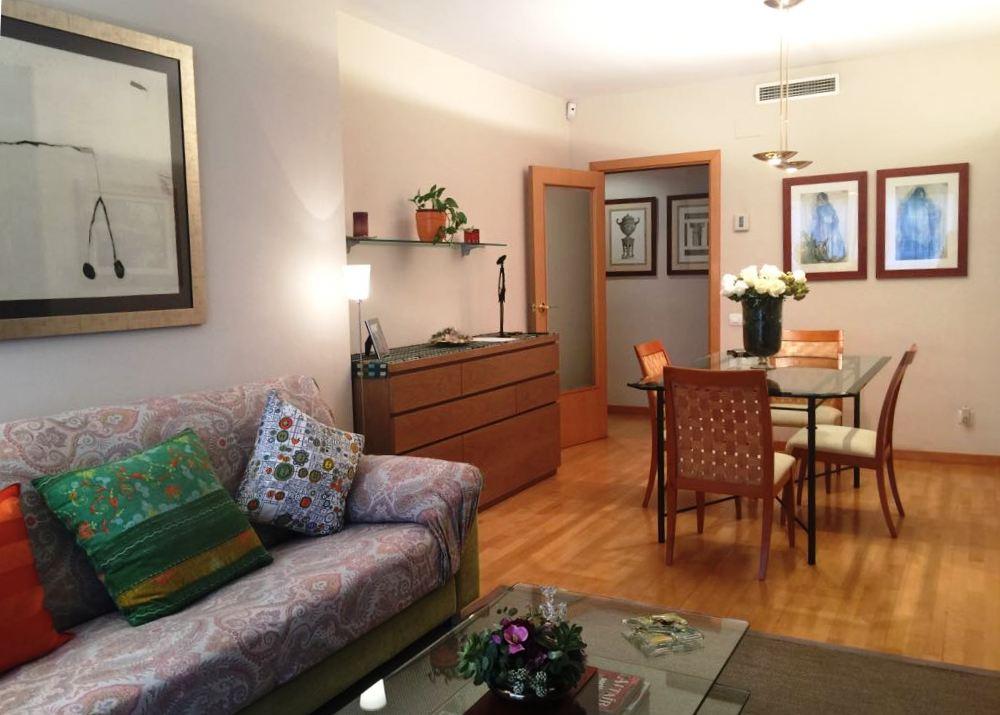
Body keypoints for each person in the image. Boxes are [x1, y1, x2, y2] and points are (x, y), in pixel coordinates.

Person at [896, 186, 943, 260]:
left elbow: (935, 218)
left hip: (920, 244)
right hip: (913, 243)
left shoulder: (927, 205)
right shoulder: (909, 206)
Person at [808, 192, 845, 262]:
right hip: (822, 228)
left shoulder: (830, 207)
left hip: (831, 227)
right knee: (822, 241)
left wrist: (832, 222)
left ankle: (834, 256)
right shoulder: (817, 208)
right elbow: (815, 219)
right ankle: (825, 256)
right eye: (819, 199)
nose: (821, 200)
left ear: (825, 199)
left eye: (822, 198)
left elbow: (835, 218)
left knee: (834, 239)